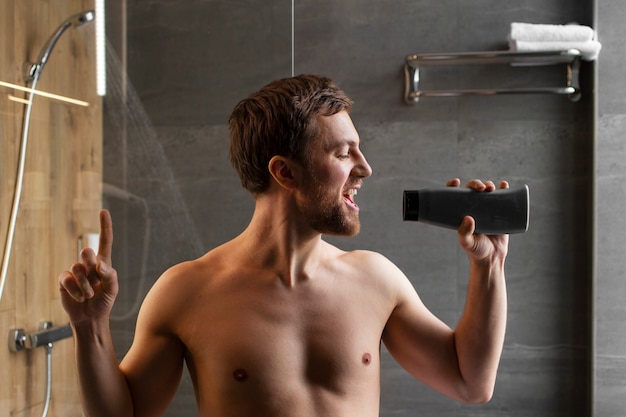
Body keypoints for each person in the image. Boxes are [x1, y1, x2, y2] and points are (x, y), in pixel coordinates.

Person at [58, 74, 509, 417]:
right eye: (343, 153)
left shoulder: (376, 279)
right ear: (285, 173)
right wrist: (90, 327)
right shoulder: (186, 293)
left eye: (359, 150)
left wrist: (488, 267)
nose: (365, 168)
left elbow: (470, 382)